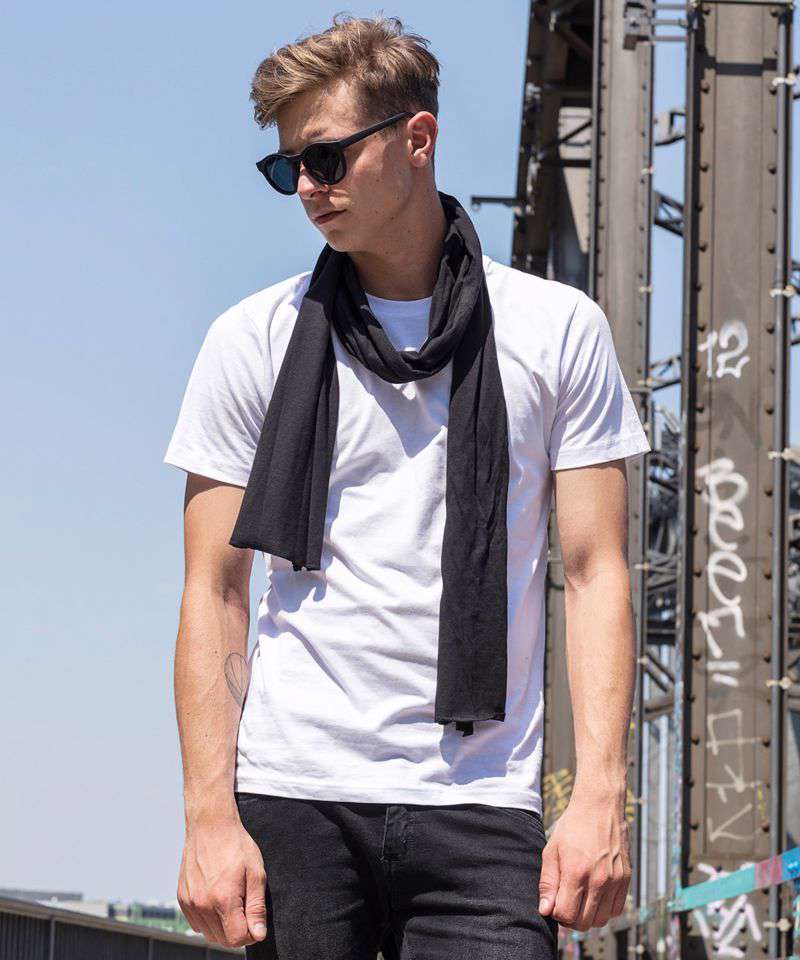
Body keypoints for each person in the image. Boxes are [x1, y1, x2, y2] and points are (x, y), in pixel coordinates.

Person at [163, 13, 651, 960]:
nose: (309, 187)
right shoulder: (251, 341)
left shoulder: (556, 330)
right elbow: (212, 588)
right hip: (295, 797)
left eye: (327, 157)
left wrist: (601, 796)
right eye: (287, 169)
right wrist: (208, 816)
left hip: (483, 802)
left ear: (418, 139)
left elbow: (597, 574)